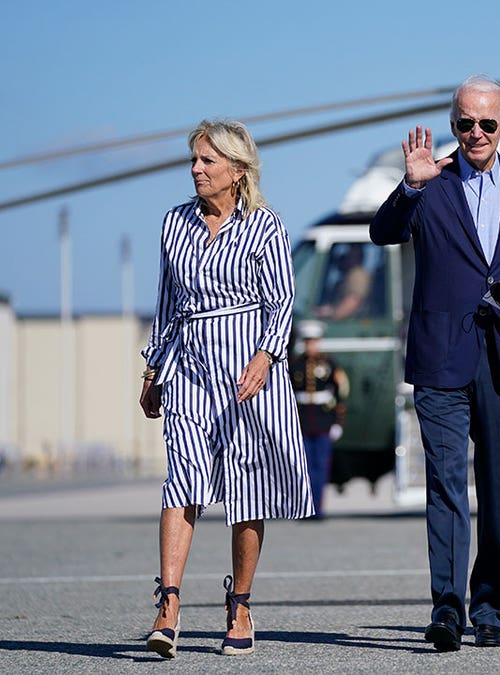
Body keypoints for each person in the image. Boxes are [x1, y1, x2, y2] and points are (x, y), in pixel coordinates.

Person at [369, 74, 500, 651]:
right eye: (464, 122)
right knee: (446, 483)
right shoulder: (429, 182)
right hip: (440, 357)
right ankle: (447, 609)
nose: (474, 133)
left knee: (497, 488)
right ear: (453, 124)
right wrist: (408, 186)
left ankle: (490, 607)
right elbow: (382, 233)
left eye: (486, 123)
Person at [138, 118, 313, 659]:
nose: (196, 170)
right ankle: (168, 603)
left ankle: (239, 603)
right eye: (194, 160)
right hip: (189, 366)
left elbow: (283, 301)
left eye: (207, 161)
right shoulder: (174, 224)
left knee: (247, 489)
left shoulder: (265, 227)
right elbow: (167, 303)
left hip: (247, 376)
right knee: (182, 481)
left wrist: (266, 355)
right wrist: (152, 370)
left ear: (237, 170)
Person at [288, 319, 348, 518]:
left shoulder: (329, 363)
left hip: (323, 422)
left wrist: (338, 422)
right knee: (303, 467)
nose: (311, 345)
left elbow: (340, 393)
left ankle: (318, 508)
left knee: (321, 466)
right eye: (307, 341)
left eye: (314, 341)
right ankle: (306, 507)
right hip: (303, 421)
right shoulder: (296, 364)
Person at [315, 244, 371, 320]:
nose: (341, 257)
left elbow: (353, 300)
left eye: (346, 252)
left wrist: (332, 315)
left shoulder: (358, 275)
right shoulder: (345, 278)